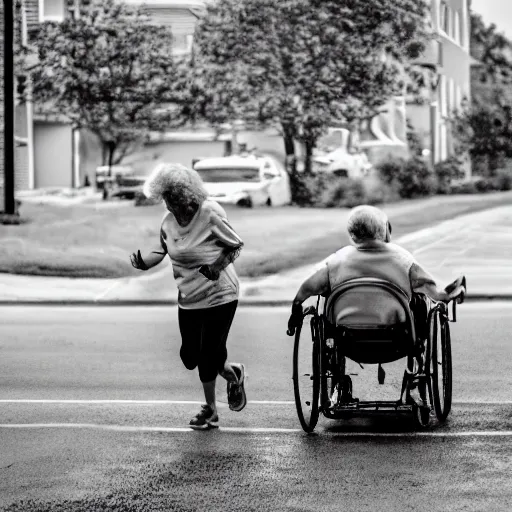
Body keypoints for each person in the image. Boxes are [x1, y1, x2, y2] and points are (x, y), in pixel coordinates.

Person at [130, 163, 247, 430]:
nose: (169, 204)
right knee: (189, 357)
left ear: (187, 194)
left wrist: (216, 268)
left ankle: (211, 411)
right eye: (165, 198)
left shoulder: (210, 212)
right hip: (189, 298)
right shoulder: (168, 222)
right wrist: (145, 263)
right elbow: (162, 250)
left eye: (173, 197)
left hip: (221, 295)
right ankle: (234, 373)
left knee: (207, 357)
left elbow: (234, 245)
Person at [287, 204, 466, 343]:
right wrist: (445, 294)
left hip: (346, 337)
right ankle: (419, 354)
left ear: (352, 233)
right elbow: (432, 290)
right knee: (419, 299)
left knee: (327, 296)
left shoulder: (337, 261)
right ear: (385, 231)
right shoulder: (401, 258)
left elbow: (307, 287)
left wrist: (296, 309)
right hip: (395, 336)